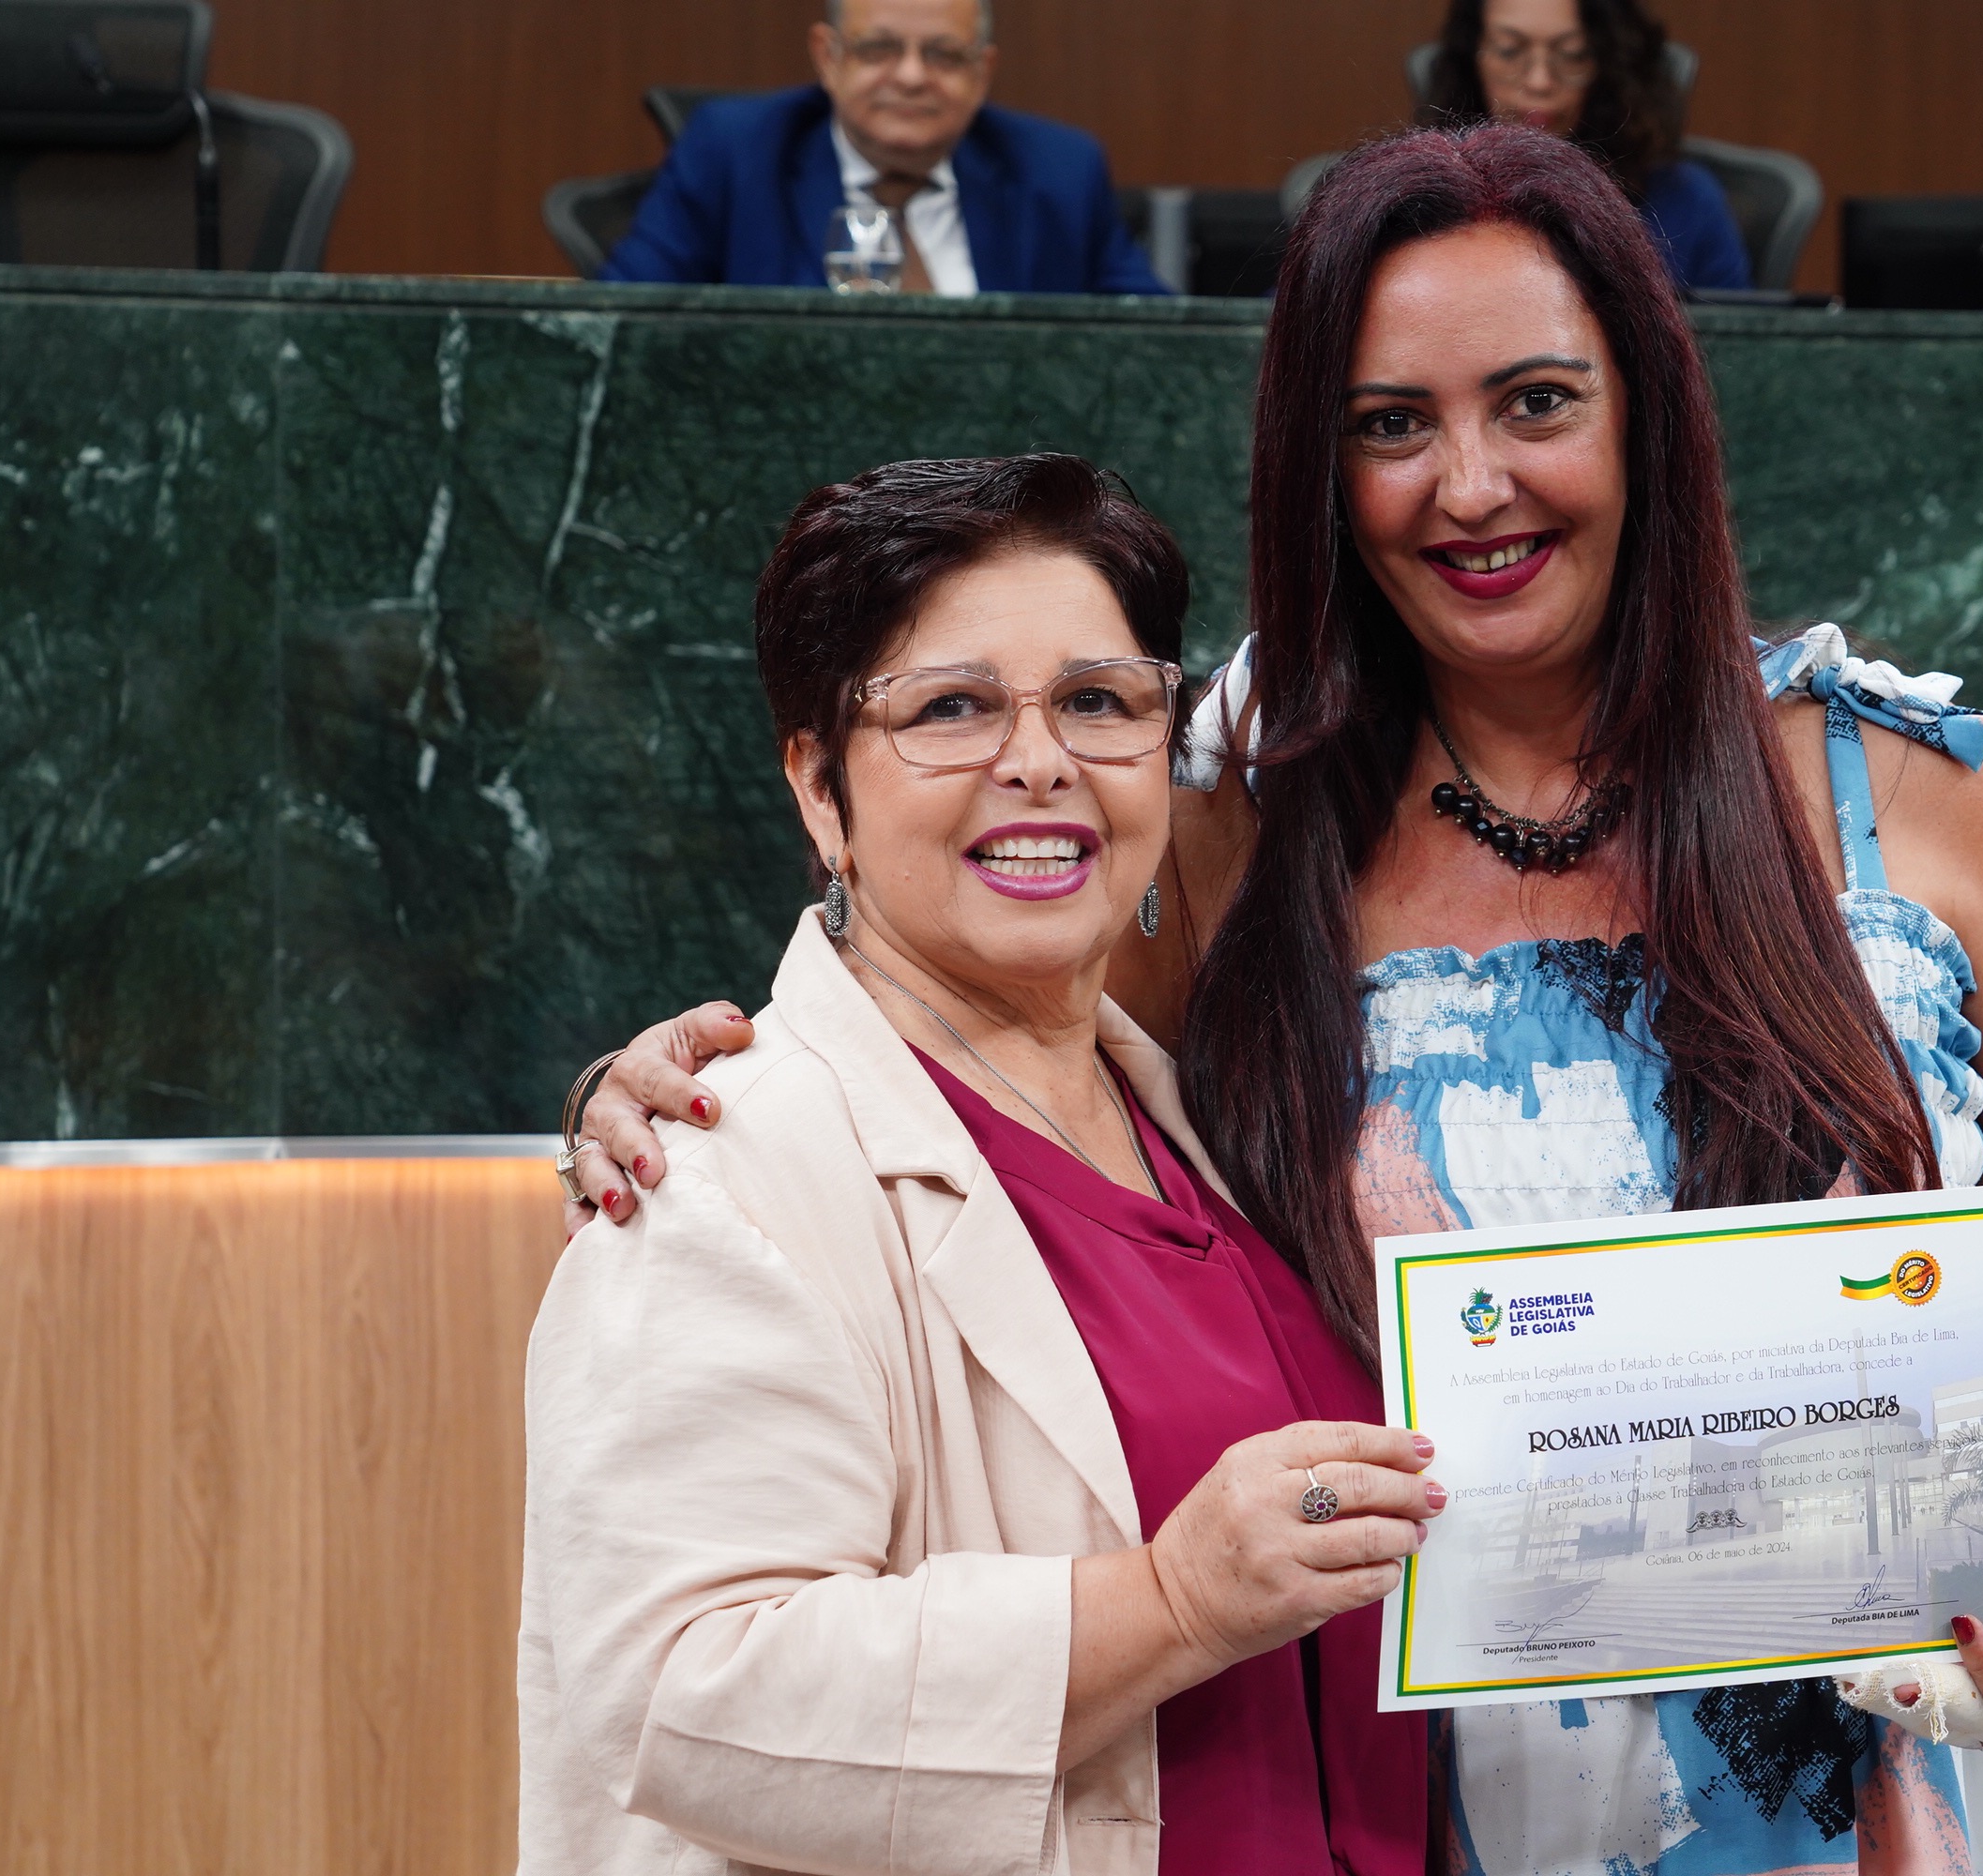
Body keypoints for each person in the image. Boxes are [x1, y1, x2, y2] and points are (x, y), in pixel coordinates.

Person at [571, 127, 1983, 1875]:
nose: (1470, 486)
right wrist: (686, 1088)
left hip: (1890, 1796)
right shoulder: (1231, 814)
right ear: (1320, 470)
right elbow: (974, 1033)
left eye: (1537, 404)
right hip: (1419, 1808)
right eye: (1392, 425)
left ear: (1644, 415)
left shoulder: (1901, 783)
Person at [522, 453, 1432, 1874]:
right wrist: (1171, 1602)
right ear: (819, 789)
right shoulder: (712, 1178)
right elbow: (678, 1692)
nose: (1040, 760)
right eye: (951, 707)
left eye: (1098, 701)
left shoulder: (1225, 1118)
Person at [601, 0, 1168, 296]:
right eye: (878, 49)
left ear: (982, 73)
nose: (912, 77)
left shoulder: (1060, 172)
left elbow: (1166, 346)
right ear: (828, 58)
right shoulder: (735, 154)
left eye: (944, 54)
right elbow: (618, 319)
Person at [1414, 0, 1754, 294]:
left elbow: (1735, 344)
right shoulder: (1418, 201)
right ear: (1471, 57)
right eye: (1509, 51)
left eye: (1573, 56)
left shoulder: (1686, 200)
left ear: (1609, 65)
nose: (1539, 81)